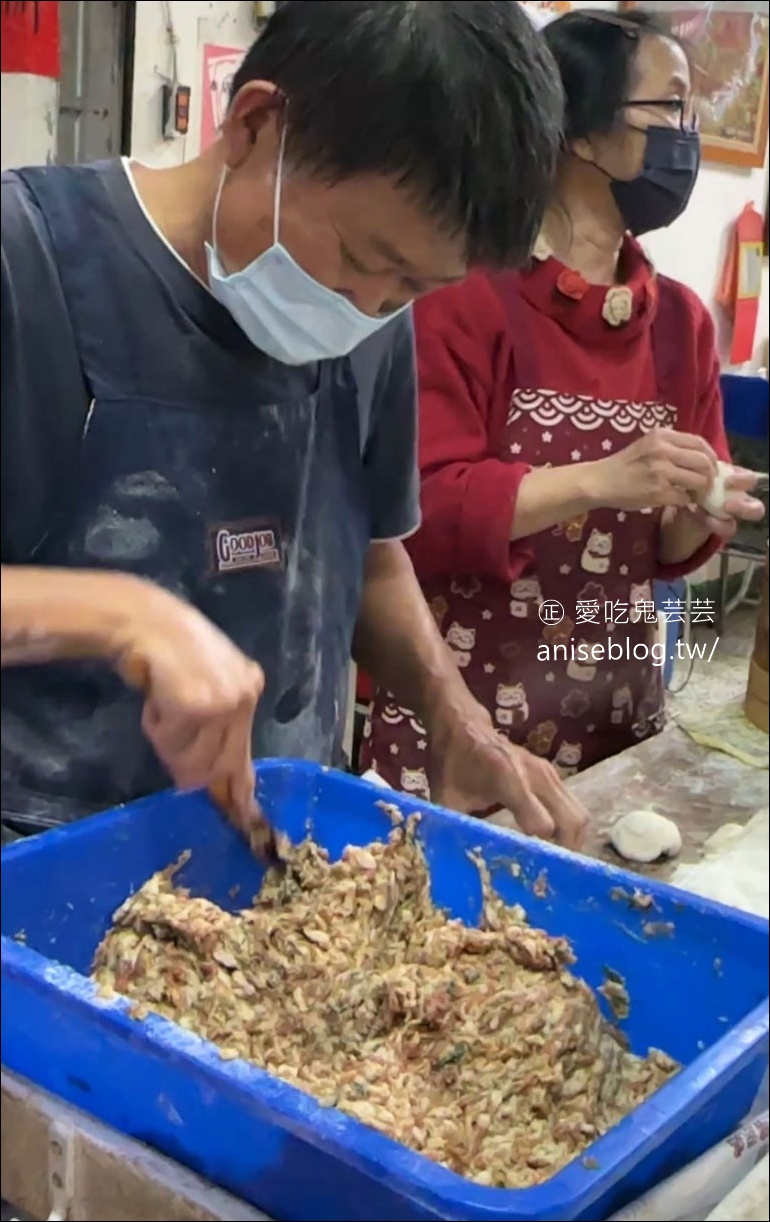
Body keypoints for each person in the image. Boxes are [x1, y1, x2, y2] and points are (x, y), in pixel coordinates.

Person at [0, 1, 589, 850]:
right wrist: (125, 615)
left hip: (277, 861)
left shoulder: (371, 318)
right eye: (362, 259)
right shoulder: (30, 264)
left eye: (416, 287)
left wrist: (451, 712)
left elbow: (367, 558)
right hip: (38, 879)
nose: (373, 306)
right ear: (254, 123)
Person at [362, 8, 764, 797]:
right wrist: (599, 480)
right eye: (669, 107)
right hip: (463, 734)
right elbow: (417, 511)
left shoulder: (678, 321)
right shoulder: (464, 295)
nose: (689, 133)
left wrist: (703, 509)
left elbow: (671, 543)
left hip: (616, 720)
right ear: (580, 133)